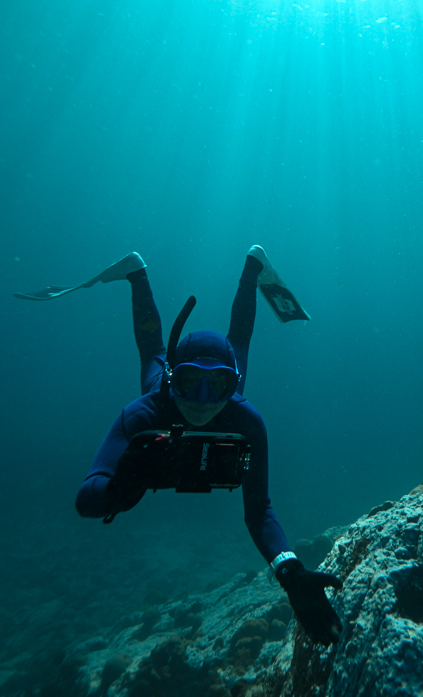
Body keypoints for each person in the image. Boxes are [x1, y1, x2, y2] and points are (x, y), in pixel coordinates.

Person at [61, 246, 343, 645]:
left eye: (220, 385)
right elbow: (85, 499)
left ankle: (251, 269)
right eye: (190, 382)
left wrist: (291, 573)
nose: (203, 400)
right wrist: (118, 488)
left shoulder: (245, 420)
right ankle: (137, 274)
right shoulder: (146, 411)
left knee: (239, 343)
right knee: (152, 352)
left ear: (232, 385)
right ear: (172, 379)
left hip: (226, 395)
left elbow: (259, 510)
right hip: (165, 384)